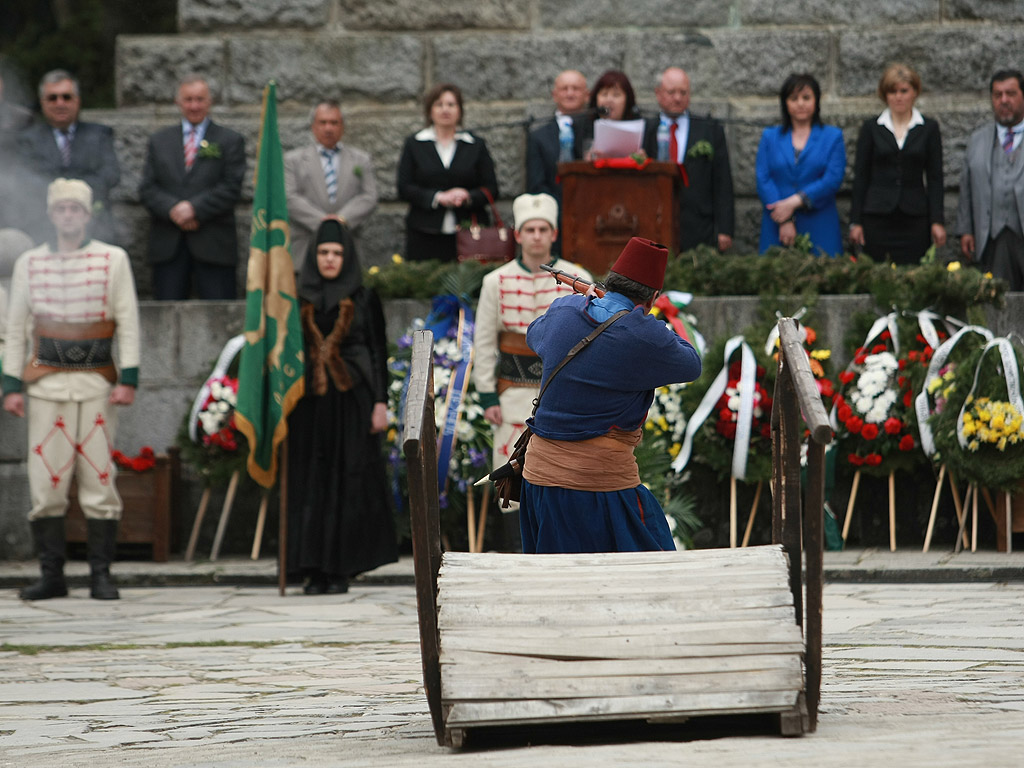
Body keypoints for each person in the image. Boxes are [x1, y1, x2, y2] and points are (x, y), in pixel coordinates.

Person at [2, 178, 140, 601]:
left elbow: (128, 319)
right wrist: (11, 385)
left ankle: (101, 574)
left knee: (100, 479)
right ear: (51, 214)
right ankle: (52, 575)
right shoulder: (29, 263)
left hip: (96, 382)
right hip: (45, 384)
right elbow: (16, 326)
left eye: (75, 209)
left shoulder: (112, 259)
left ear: (86, 214)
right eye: (61, 209)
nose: (68, 216)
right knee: (47, 482)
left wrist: (129, 378)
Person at [519, 237, 702, 553]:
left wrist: (583, 301)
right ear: (653, 297)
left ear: (610, 280)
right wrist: (641, 318)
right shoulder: (645, 333)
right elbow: (690, 361)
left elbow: (535, 333)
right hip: (599, 486)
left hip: (537, 481)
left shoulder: (564, 307)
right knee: (655, 578)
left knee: (553, 589)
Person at [472, 193, 592, 549]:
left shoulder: (579, 278)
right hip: (511, 396)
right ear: (518, 235)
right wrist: (487, 395)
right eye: (530, 229)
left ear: (553, 234)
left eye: (543, 229)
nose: (537, 235)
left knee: (562, 477)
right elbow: (484, 342)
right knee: (509, 477)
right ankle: (513, 553)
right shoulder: (495, 281)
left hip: (561, 396)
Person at [286, 218, 397, 594]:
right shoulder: (298, 295)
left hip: (353, 400)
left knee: (348, 479)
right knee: (312, 481)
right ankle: (312, 568)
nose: (329, 259)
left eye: (336, 253)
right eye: (322, 253)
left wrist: (381, 403)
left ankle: (341, 569)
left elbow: (379, 350)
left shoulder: (364, 296)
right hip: (309, 405)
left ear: (346, 256)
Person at [139, 74, 246, 300]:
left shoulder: (229, 140)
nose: (194, 105)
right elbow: (147, 188)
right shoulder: (160, 141)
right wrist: (173, 209)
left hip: (213, 243)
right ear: (178, 102)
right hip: (169, 245)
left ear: (210, 102)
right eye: (188, 100)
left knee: (219, 316)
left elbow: (231, 187)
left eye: (200, 99)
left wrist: (194, 209)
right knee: (167, 316)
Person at [850, 64, 946, 264]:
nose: (898, 97)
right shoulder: (871, 128)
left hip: (915, 218)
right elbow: (861, 176)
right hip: (877, 217)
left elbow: (935, 178)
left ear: (915, 92)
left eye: (904, 91)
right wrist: (855, 221)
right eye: (892, 91)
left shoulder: (928, 128)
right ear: (885, 95)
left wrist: (937, 220)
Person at [396, 83, 499, 262]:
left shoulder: (475, 144)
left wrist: (467, 196)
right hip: (424, 232)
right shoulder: (415, 143)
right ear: (430, 111)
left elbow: (492, 188)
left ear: (460, 110)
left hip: (470, 233)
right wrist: (437, 197)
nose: (445, 110)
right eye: (439, 104)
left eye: (451, 104)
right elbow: (404, 187)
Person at [18, 70, 120, 244]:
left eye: (66, 97)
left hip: (95, 228)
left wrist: (73, 197)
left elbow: (110, 175)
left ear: (77, 100)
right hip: (43, 230)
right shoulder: (28, 140)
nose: (60, 103)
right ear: (43, 103)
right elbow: (27, 181)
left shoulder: (100, 135)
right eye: (53, 98)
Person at [643, 67, 735, 253]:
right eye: (671, 92)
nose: (677, 98)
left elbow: (722, 181)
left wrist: (725, 229)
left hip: (700, 226)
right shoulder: (646, 129)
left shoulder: (709, 129)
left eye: (683, 92)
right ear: (658, 94)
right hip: (654, 224)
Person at [756, 73, 846, 256]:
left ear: (816, 101)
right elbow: (763, 178)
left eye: (806, 97)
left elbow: (832, 179)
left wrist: (796, 202)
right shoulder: (770, 137)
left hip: (820, 224)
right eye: (794, 98)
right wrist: (784, 218)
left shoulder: (833, 137)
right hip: (777, 223)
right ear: (785, 103)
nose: (800, 103)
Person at [284, 100, 378, 272]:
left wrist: (341, 220)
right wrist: (324, 223)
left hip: (347, 248)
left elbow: (369, 197)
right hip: (305, 248)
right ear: (313, 126)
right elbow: (289, 198)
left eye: (334, 123)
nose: (328, 128)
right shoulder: (293, 160)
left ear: (342, 127)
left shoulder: (360, 159)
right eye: (323, 122)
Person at [955, 69, 1024, 290]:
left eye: (1011, 93)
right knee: (998, 300)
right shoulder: (978, 139)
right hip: (993, 237)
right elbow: (966, 186)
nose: (1004, 100)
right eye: (997, 95)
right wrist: (966, 229)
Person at [525, 70, 589, 251]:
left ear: (587, 94)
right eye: (564, 89)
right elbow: (536, 185)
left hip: (593, 219)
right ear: (555, 95)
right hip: (555, 222)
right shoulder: (538, 136)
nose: (570, 93)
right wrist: (562, 211)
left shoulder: (597, 129)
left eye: (576, 88)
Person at [576, 70, 644, 158]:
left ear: (627, 101)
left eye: (616, 95)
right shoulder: (582, 127)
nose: (609, 100)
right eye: (604, 94)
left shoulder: (641, 127)